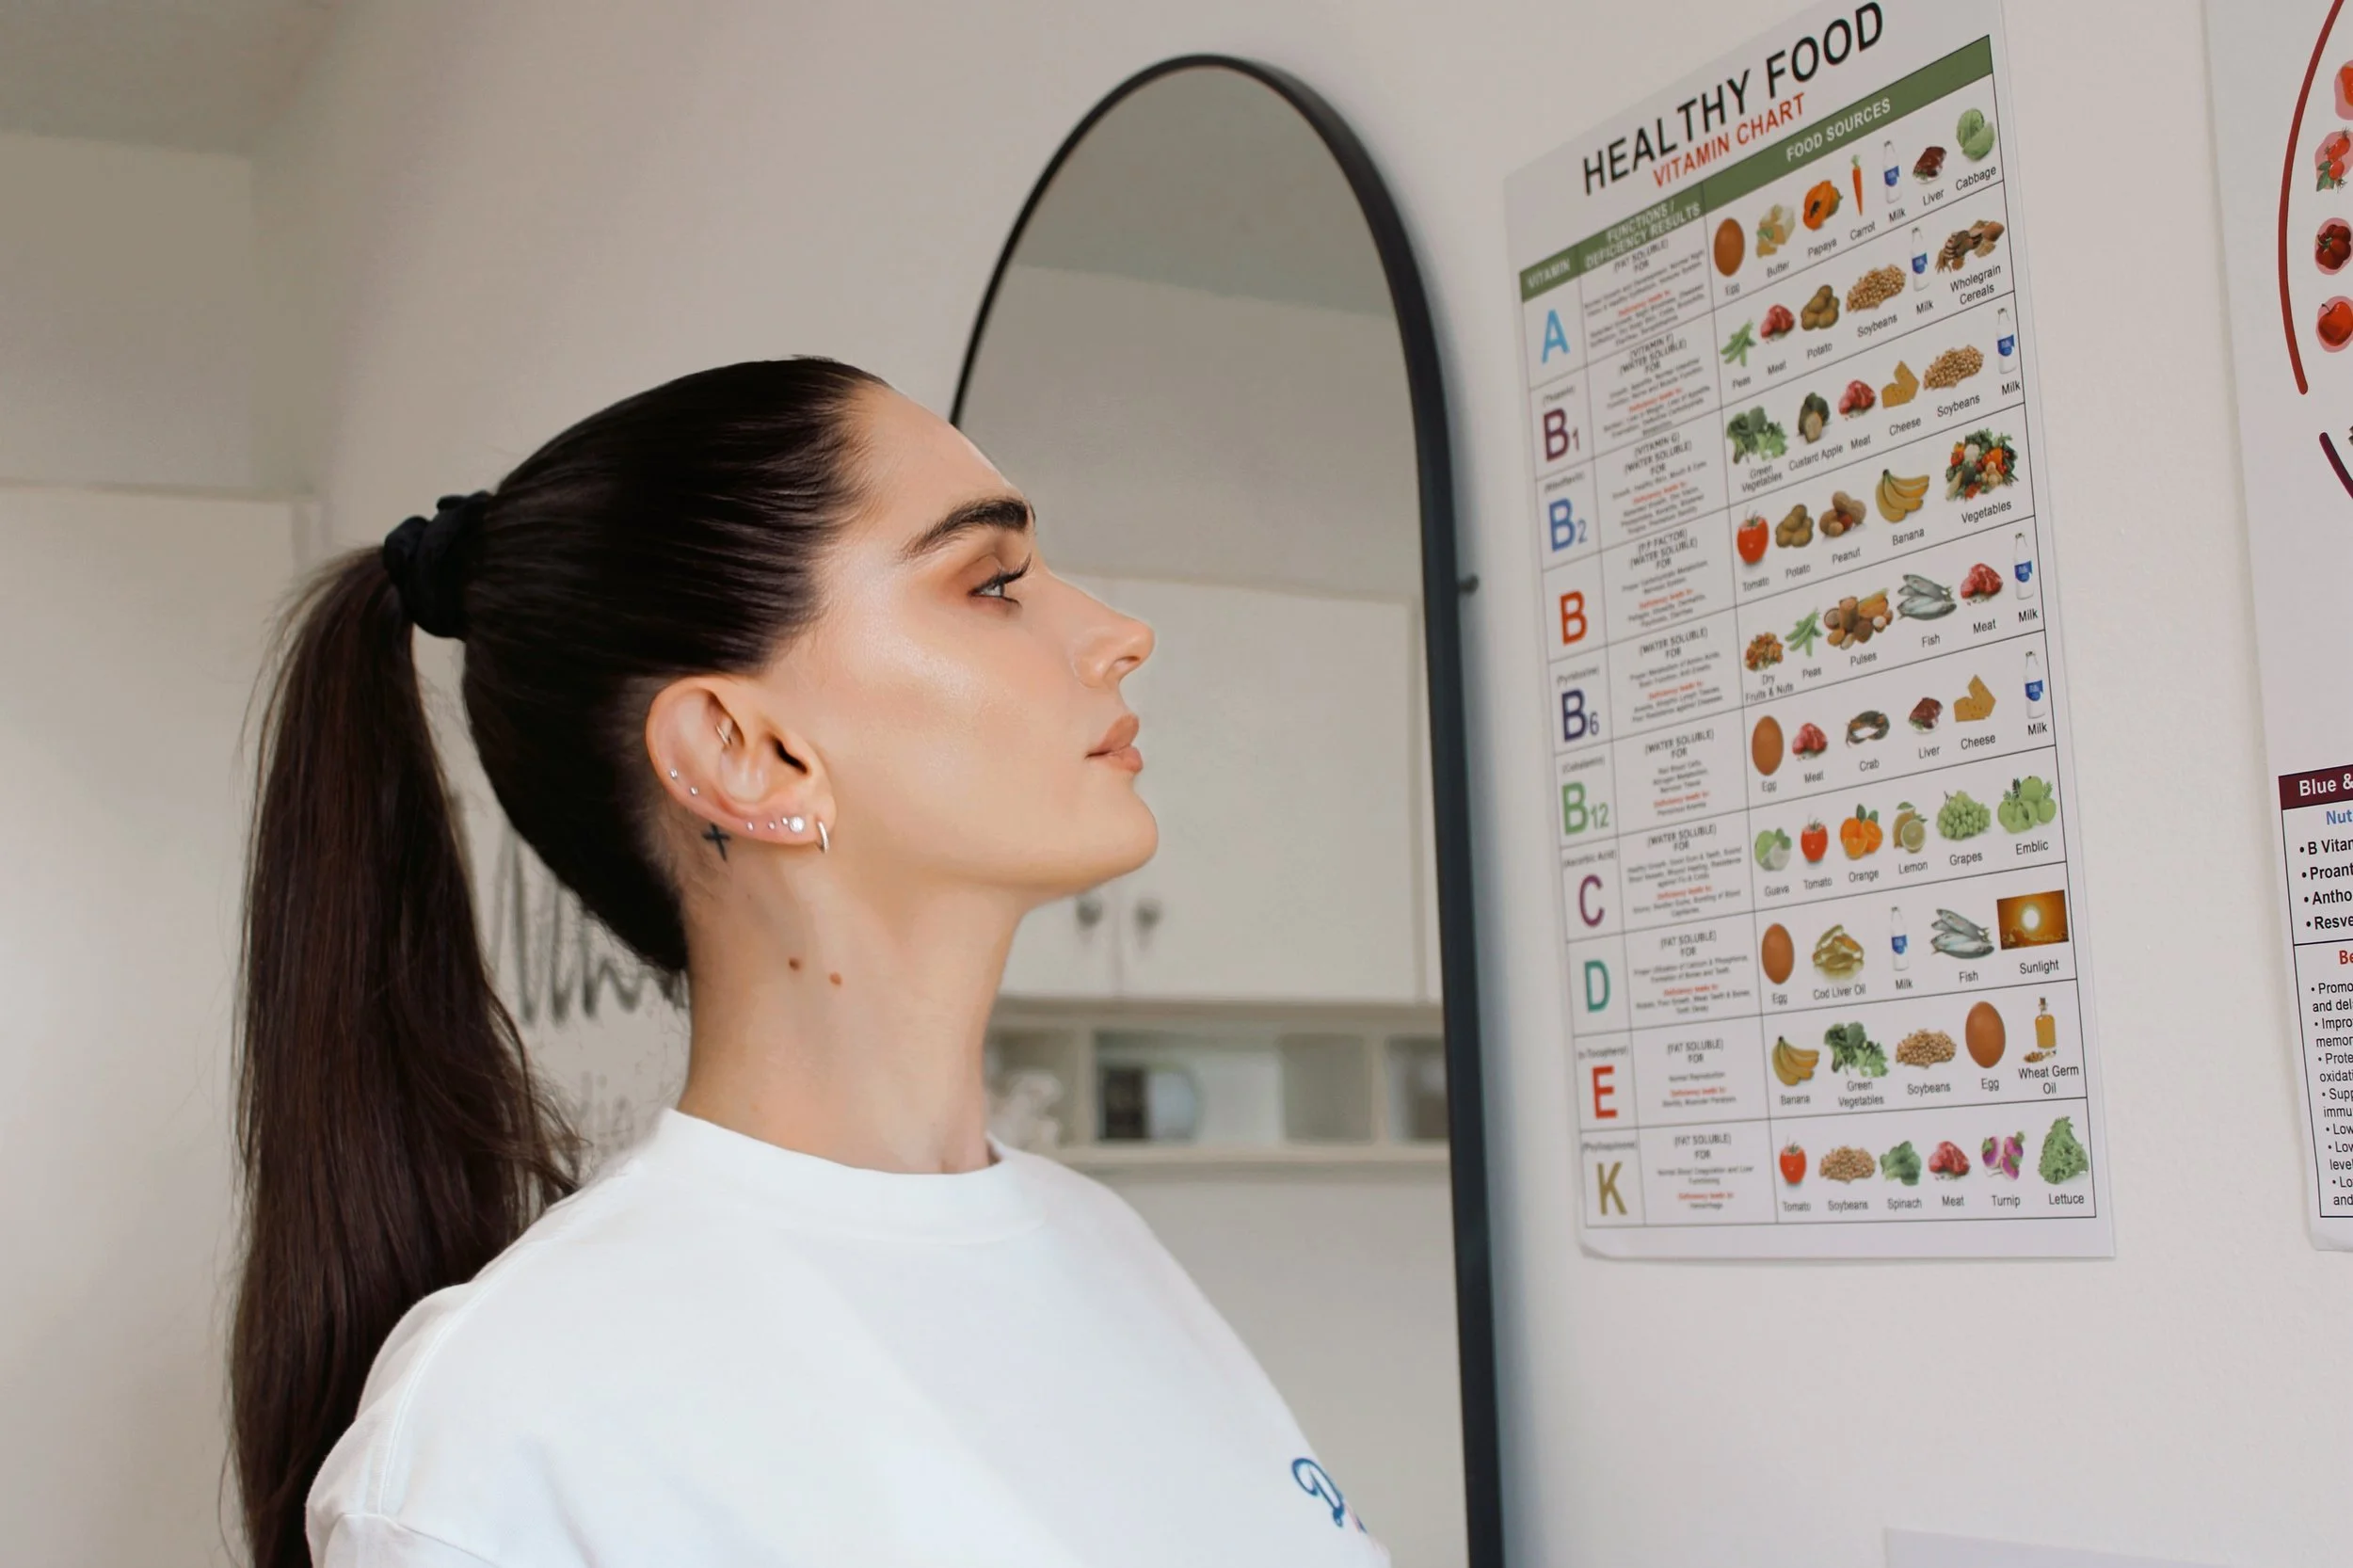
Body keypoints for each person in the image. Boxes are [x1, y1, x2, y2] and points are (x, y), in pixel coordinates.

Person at [229, 359, 1392, 1567]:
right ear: (750, 754)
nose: (1118, 634)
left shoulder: (1107, 1251)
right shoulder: (503, 1432)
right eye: (993, 582)